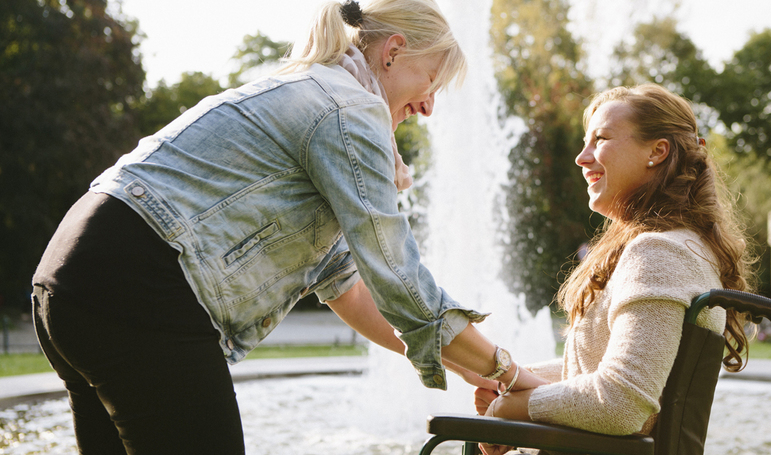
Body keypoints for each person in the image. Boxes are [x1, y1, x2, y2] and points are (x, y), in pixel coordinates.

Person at [30, 0, 546, 453]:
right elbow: (398, 275)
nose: (429, 106)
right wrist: (509, 371)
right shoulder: (348, 109)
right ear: (393, 51)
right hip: (138, 285)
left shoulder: (312, 95)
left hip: (71, 278)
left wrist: (468, 368)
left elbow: (354, 290)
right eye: (430, 81)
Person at [473, 84, 756, 455]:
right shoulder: (679, 245)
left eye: (600, 139)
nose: (581, 158)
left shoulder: (659, 252)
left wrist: (514, 407)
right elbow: (617, 369)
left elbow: (622, 404)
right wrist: (517, 381)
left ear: (657, 151)